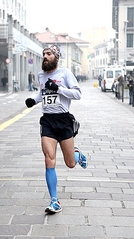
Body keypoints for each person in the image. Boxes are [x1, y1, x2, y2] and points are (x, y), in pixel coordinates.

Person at [24, 44, 87, 214]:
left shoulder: (65, 73)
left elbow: (78, 94)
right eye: (44, 53)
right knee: (49, 160)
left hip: (64, 120)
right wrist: (33, 100)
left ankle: (76, 154)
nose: (45, 56)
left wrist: (58, 88)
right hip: (48, 122)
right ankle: (54, 200)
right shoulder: (41, 75)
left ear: (56, 56)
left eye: (49, 53)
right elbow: (42, 93)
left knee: (70, 164)